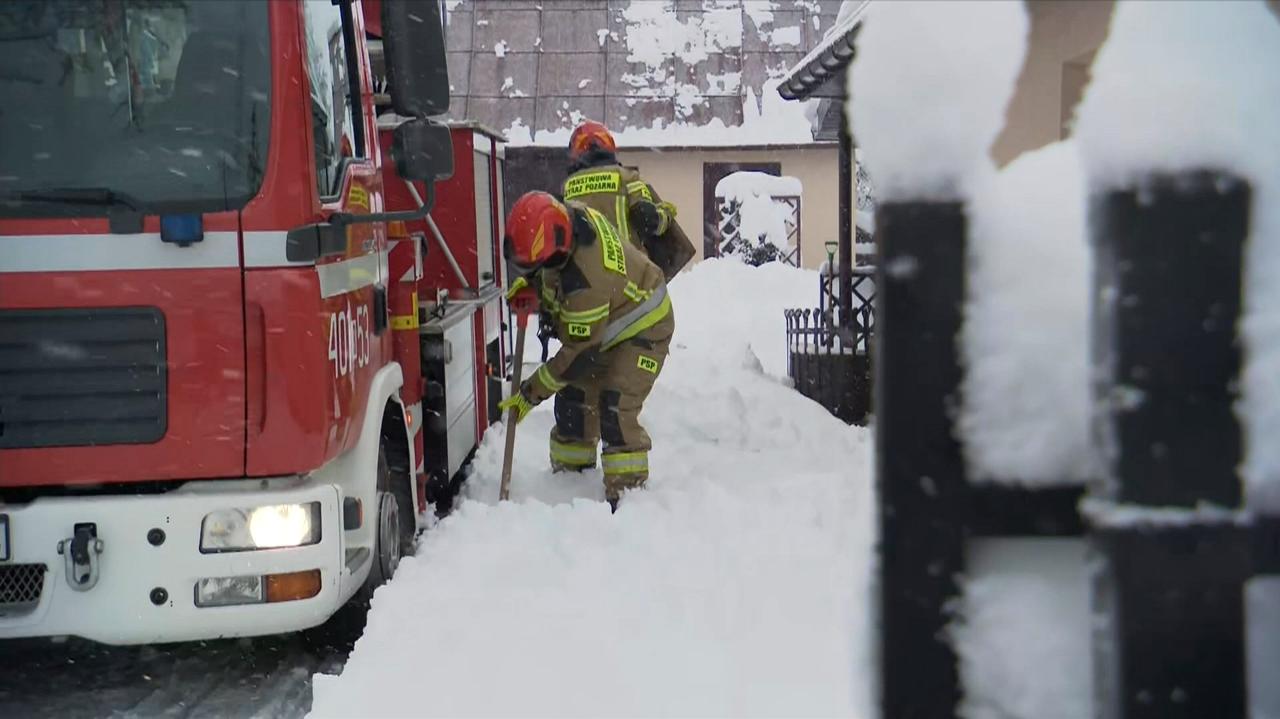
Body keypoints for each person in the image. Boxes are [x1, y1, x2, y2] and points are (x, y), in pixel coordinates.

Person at [499, 191, 675, 512]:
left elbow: (576, 357)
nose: (533, 270)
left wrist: (530, 393)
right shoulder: (569, 218)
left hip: (644, 324)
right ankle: (567, 486)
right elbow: (554, 271)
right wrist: (533, 285)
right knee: (573, 403)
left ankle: (628, 500)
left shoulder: (587, 282)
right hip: (608, 319)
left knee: (615, 405)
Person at [562, 120, 694, 282]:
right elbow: (648, 219)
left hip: (584, 279)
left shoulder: (567, 188)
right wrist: (665, 214)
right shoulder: (627, 178)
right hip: (628, 274)